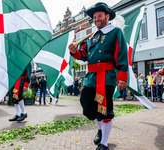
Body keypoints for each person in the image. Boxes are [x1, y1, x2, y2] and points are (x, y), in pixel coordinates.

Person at [68, 2, 128, 150]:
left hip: (107, 77)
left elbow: (122, 54)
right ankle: (101, 127)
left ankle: (104, 143)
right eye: (94, 17)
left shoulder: (115, 32)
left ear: (107, 16)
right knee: (87, 106)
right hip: (91, 78)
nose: (96, 19)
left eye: (99, 16)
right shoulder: (91, 36)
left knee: (105, 110)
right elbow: (84, 55)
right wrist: (74, 51)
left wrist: (122, 76)